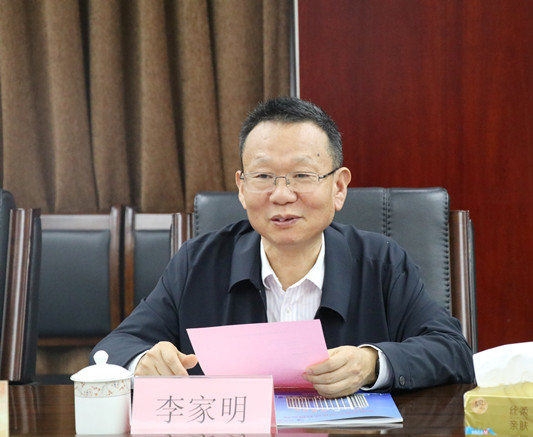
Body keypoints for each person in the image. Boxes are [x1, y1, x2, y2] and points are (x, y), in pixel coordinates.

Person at [92, 96, 475, 398]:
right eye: (263, 176)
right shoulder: (198, 263)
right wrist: (144, 362)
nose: (281, 195)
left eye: (302, 175)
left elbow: (452, 351)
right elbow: (114, 348)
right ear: (242, 188)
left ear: (338, 187)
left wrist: (372, 364)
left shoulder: (381, 263)